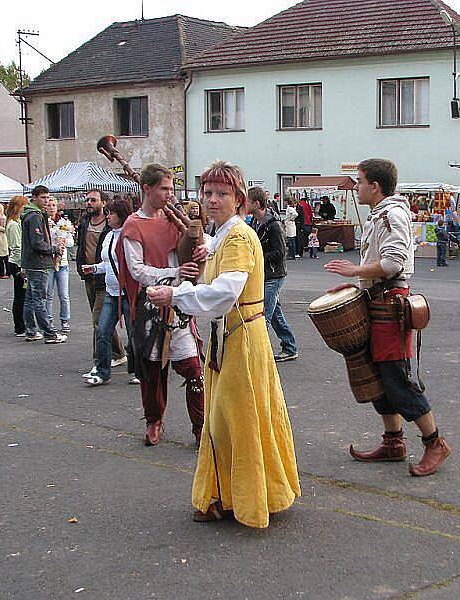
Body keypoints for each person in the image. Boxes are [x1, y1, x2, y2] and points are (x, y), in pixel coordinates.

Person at [147, 159, 300, 528]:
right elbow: (213, 281)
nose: (212, 199)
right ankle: (228, 495)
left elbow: (223, 295)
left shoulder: (237, 238)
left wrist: (175, 295)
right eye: (208, 192)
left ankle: (239, 497)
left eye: (222, 193)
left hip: (242, 340)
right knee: (229, 420)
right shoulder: (223, 237)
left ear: (239, 199)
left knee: (232, 421)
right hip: (228, 339)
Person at [324, 158, 451, 477]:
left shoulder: (392, 214)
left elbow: (393, 263)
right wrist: (358, 282)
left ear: (375, 186)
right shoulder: (382, 213)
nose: (357, 185)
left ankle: (435, 443)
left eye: (360, 180)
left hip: (390, 305)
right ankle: (393, 442)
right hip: (378, 299)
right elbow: (381, 264)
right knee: (378, 378)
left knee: (397, 378)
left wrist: (356, 271)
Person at [119, 163, 205, 446]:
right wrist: (175, 273)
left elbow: (195, 250)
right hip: (151, 305)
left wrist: (204, 247)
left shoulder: (173, 220)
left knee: (193, 368)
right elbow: (138, 271)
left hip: (179, 303)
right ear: (147, 188)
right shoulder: (133, 225)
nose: (169, 194)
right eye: (164, 189)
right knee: (153, 370)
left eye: (171, 189)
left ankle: (200, 426)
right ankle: (154, 420)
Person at [82, 198, 134, 385]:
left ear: (121, 215)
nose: (108, 216)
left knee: (133, 333)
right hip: (112, 292)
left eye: (111, 213)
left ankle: (139, 370)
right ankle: (103, 371)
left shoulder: (129, 235)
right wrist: (94, 268)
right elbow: (108, 263)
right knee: (103, 330)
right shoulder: (109, 236)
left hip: (128, 293)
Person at [246, 186, 299, 362]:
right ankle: (289, 347)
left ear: (257, 203)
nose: (244, 203)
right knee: (275, 314)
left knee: (263, 316)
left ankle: (257, 354)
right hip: (265, 274)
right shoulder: (254, 222)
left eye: (247, 201)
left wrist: (257, 256)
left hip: (274, 276)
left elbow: (280, 252)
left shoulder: (273, 225)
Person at [76, 190, 126, 373]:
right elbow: (83, 247)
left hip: (112, 285)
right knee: (103, 324)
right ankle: (116, 355)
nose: (89, 203)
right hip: (91, 278)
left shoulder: (114, 230)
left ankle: (100, 363)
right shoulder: (85, 223)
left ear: (103, 203)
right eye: (87, 200)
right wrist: (89, 268)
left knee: (99, 322)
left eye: (93, 200)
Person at [20, 185, 67, 344]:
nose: (46, 201)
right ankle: (49, 333)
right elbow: (37, 243)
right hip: (38, 263)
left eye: (48, 197)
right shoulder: (35, 216)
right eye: (43, 197)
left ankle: (31, 331)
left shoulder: (31, 214)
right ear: (34, 198)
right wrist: (54, 249)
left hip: (31, 262)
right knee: (39, 298)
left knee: (31, 298)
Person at [45, 197, 74, 333]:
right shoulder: (44, 222)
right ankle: (49, 320)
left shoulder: (64, 222)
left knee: (64, 294)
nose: (51, 208)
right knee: (48, 294)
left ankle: (65, 320)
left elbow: (71, 242)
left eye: (53, 205)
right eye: (49, 205)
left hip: (62, 263)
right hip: (48, 262)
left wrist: (62, 240)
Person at [5, 196, 28, 337]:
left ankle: (22, 324)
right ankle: (19, 326)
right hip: (17, 263)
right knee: (20, 296)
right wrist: (22, 266)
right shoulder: (13, 224)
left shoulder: (18, 222)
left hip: (18, 262)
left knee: (23, 295)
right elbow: (16, 247)